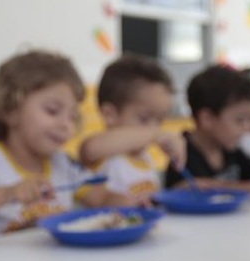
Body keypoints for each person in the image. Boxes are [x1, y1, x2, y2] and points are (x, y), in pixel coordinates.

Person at [0, 50, 120, 237]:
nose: (66, 125)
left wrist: (126, 201)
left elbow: (102, 199)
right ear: (10, 110)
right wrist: (7, 194)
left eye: (73, 117)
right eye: (52, 110)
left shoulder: (65, 165)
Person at [77, 54, 186, 205]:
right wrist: (155, 135)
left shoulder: (145, 157)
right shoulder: (104, 154)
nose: (154, 128)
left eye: (160, 120)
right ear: (110, 115)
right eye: (144, 119)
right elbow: (90, 148)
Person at [165, 64, 250, 201]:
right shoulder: (182, 155)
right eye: (240, 120)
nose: (248, 127)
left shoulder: (230, 151)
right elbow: (187, 189)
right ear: (207, 119)